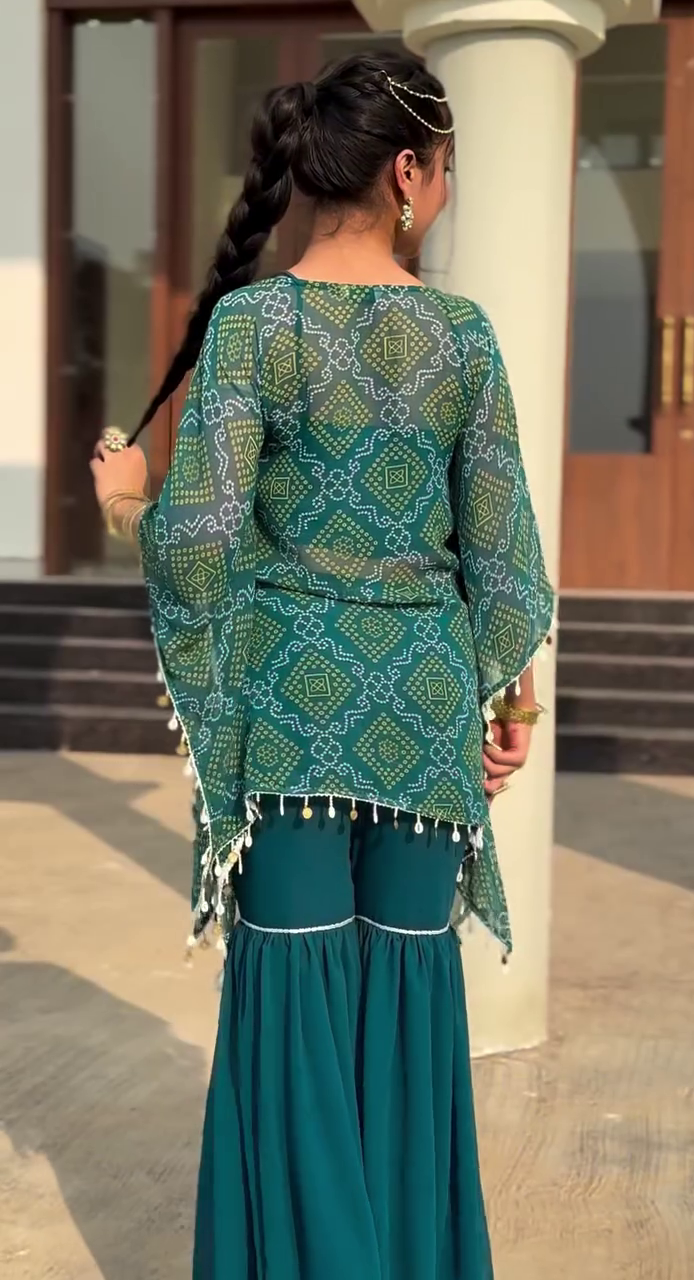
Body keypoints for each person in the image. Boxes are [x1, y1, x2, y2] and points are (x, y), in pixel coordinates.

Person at [90, 49, 553, 1280]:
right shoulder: (462, 337)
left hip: (296, 710)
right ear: (406, 172)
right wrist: (511, 699)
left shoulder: (255, 327)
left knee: (296, 1002)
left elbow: (202, 544)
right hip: (424, 707)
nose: (444, 189)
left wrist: (127, 500)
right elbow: (504, 553)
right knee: (406, 1002)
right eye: (446, 168)